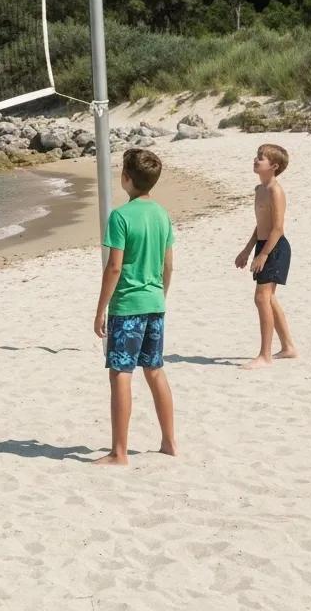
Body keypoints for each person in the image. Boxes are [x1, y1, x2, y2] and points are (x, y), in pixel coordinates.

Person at [93, 148, 177, 466]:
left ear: (127, 179)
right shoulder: (161, 214)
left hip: (127, 305)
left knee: (121, 374)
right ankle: (169, 441)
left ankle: (119, 452)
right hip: (155, 302)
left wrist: (101, 308)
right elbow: (168, 264)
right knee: (154, 370)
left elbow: (114, 267)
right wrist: (161, 295)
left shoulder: (120, 217)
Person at [234, 144, 298, 369]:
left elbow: (278, 228)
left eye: (260, 158)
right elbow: (261, 224)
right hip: (263, 244)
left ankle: (265, 355)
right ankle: (288, 347)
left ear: (274, 166)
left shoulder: (275, 191)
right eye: (256, 156)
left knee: (261, 298)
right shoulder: (259, 189)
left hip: (275, 248)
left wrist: (262, 255)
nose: (255, 160)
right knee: (268, 298)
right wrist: (247, 249)